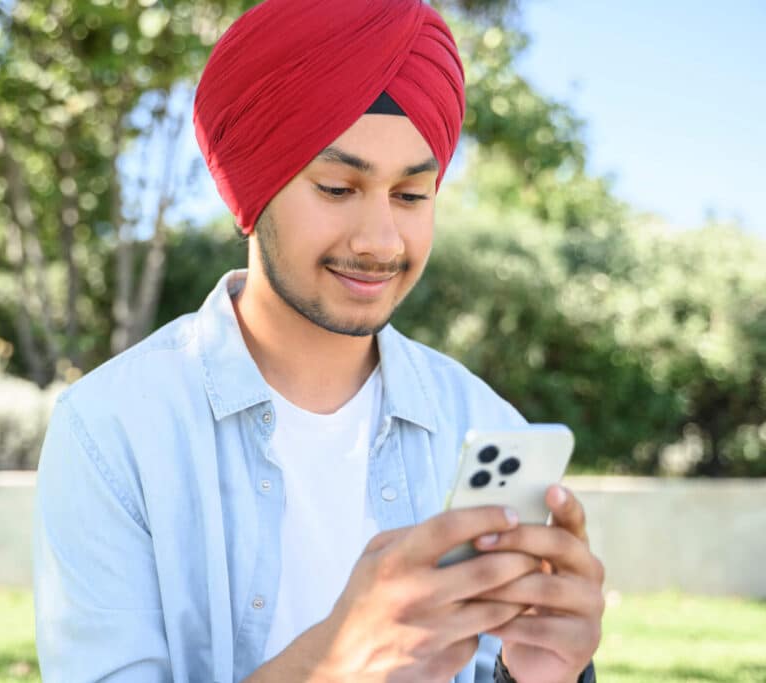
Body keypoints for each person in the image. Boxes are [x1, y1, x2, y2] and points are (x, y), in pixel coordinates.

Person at [32, 0, 604, 681]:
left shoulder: (483, 424)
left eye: (412, 195)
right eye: (338, 186)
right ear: (255, 184)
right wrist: (332, 662)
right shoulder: (110, 431)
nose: (380, 240)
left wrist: (543, 671)